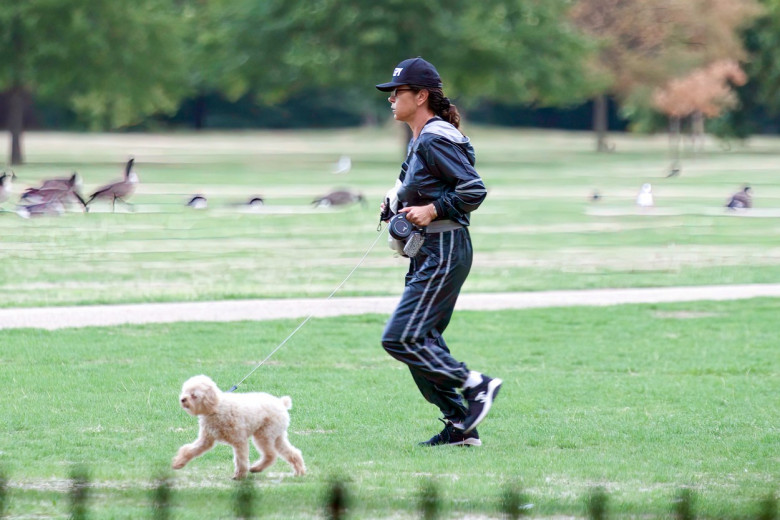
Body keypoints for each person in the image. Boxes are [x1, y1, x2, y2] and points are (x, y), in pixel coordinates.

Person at [375, 57, 502, 447]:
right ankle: (461, 427)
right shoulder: (422, 138)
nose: (392, 98)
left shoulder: (434, 137)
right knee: (421, 342)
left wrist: (430, 210)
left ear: (421, 96)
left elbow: (473, 190)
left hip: (444, 247)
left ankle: (474, 384)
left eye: (398, 92)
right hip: (429, 249)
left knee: (400, 339)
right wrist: (397, 205)